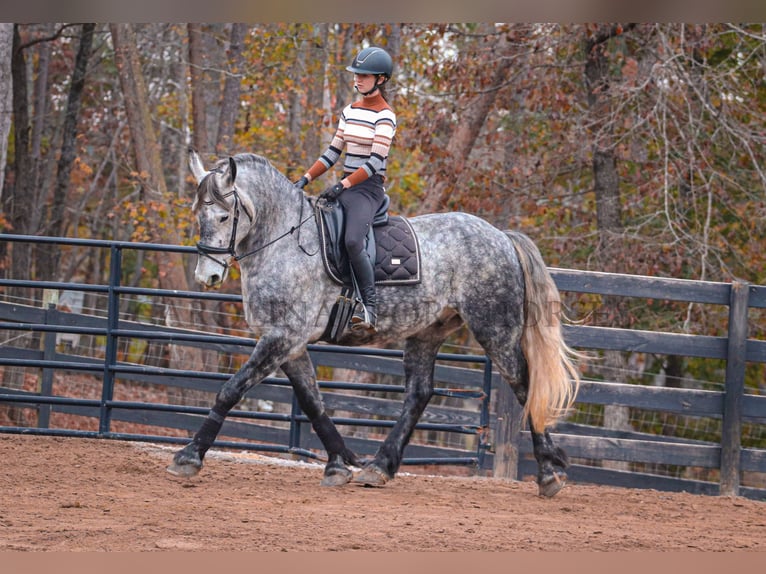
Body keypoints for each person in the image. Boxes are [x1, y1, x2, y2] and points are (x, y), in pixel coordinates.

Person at [295, 46, 396, 334]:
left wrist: (343, 184)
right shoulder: (349, 112)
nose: (358, 80)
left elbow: (376, 161)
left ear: (380, 79)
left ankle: (369, 307)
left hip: (368, 189)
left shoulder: (386, 117)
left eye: (364, 76)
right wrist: (305, 179)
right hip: (347, 186)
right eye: (356, 75)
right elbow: (332, 153)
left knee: (353, 241)